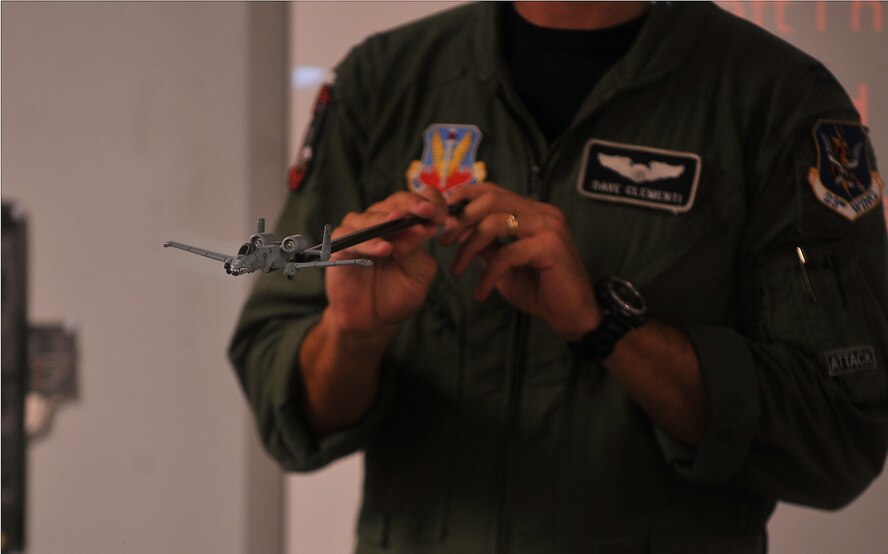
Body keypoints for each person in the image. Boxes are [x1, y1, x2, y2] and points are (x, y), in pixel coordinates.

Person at [229, 2, 888, 552]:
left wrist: (606, 327)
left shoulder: (774, 98)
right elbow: (284, 409)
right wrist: (353, 334)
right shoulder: (386, 80)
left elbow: (838, 440)